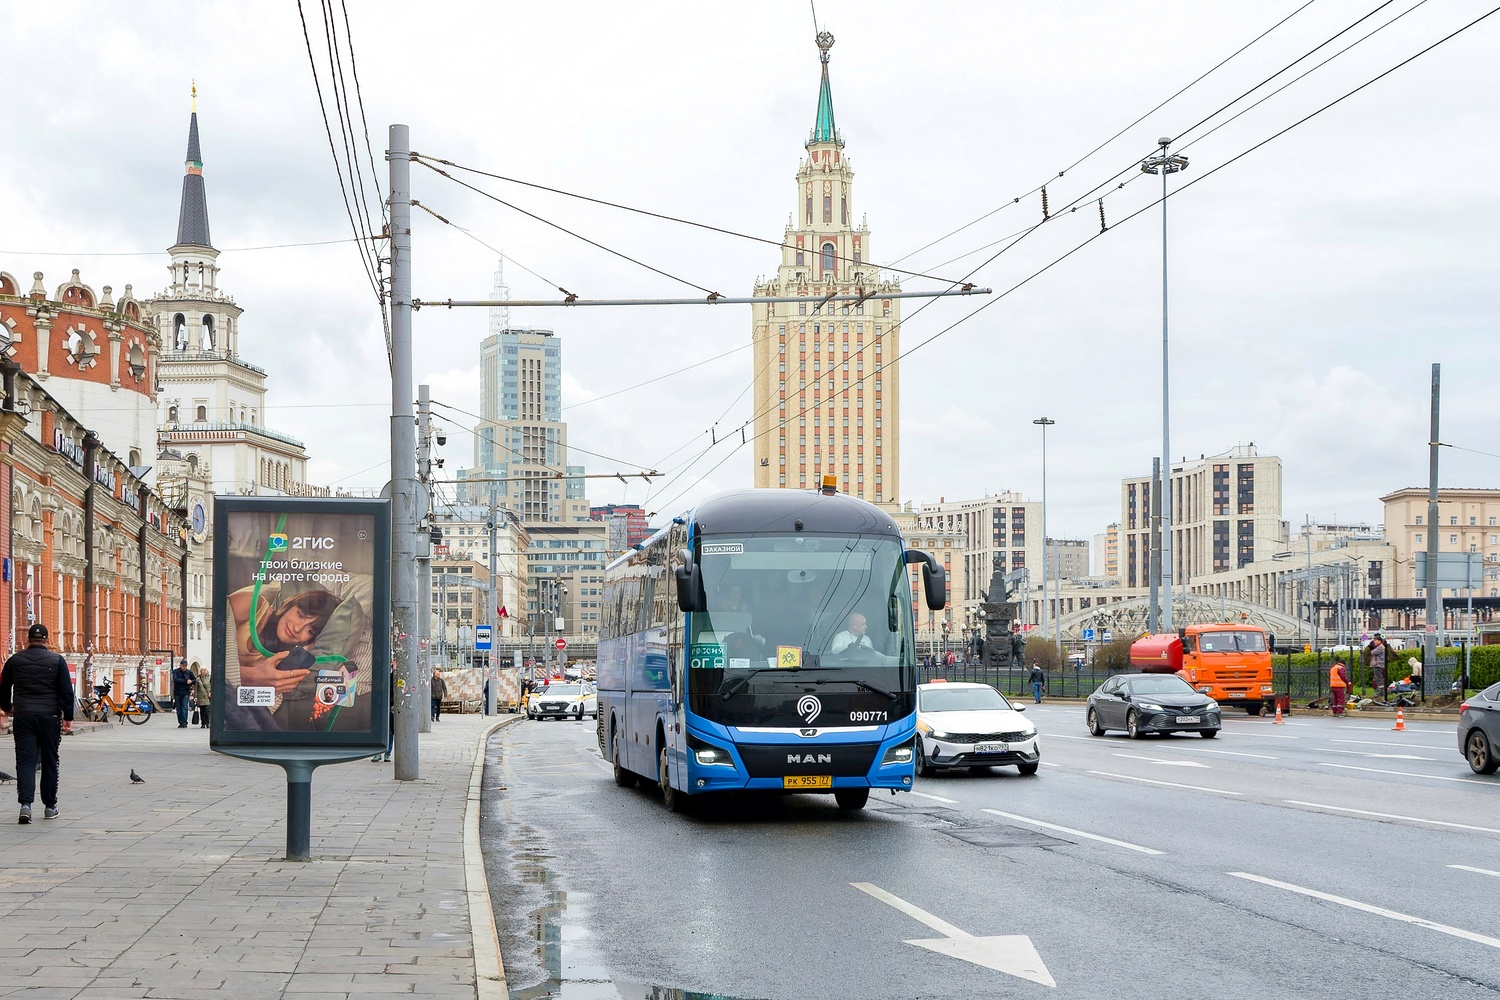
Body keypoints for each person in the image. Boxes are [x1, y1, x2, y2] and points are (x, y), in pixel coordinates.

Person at [0, 624, 74, 824]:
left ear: (28, 640)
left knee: (25, 761)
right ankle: (50, 806)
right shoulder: (57, 661)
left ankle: (25, 805)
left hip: (24, 716)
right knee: (50, 760)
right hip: (50, 717)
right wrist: (68, 716)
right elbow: (67, 691)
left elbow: (4, 687)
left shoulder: (15, 660)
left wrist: (7, 707)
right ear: (47, 640)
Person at [1364, 633, 1394, 698]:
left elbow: (1372, 652)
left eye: (1375, 640)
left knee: (1379, 679)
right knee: (1379, 678)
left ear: (1379, 641)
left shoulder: (1380, 647)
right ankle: (1381, 691)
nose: (1374, 642)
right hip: (1379, 664)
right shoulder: (1381, 646)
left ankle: (1381, 692)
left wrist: (1373, 650)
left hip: (1378, 665)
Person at [171, 659, 195, 728]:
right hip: (177, 692)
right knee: (178, 708)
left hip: (186, 692)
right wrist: (186, 681)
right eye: (183, 666)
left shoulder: (189, 672)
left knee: (184, 707)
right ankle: (180, 722)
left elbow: (194, 679)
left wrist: (191, 681)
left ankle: (184, 722)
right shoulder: (176, 671)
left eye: (186, 666)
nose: (185, 667)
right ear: (180, 665)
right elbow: (176, 679)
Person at [191, 664, 212, 729]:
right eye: (203, 670)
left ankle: (208, 723)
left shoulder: (210, 677)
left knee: (207, 710)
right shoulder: (198, 679)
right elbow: (196, 688)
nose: (204, 671)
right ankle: (203, 723)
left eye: (205, 670)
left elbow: (213, 685)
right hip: (200, 697)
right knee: (202, 711)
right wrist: (195, 697)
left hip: (207, 697)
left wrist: (211, 692)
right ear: (200, 671)